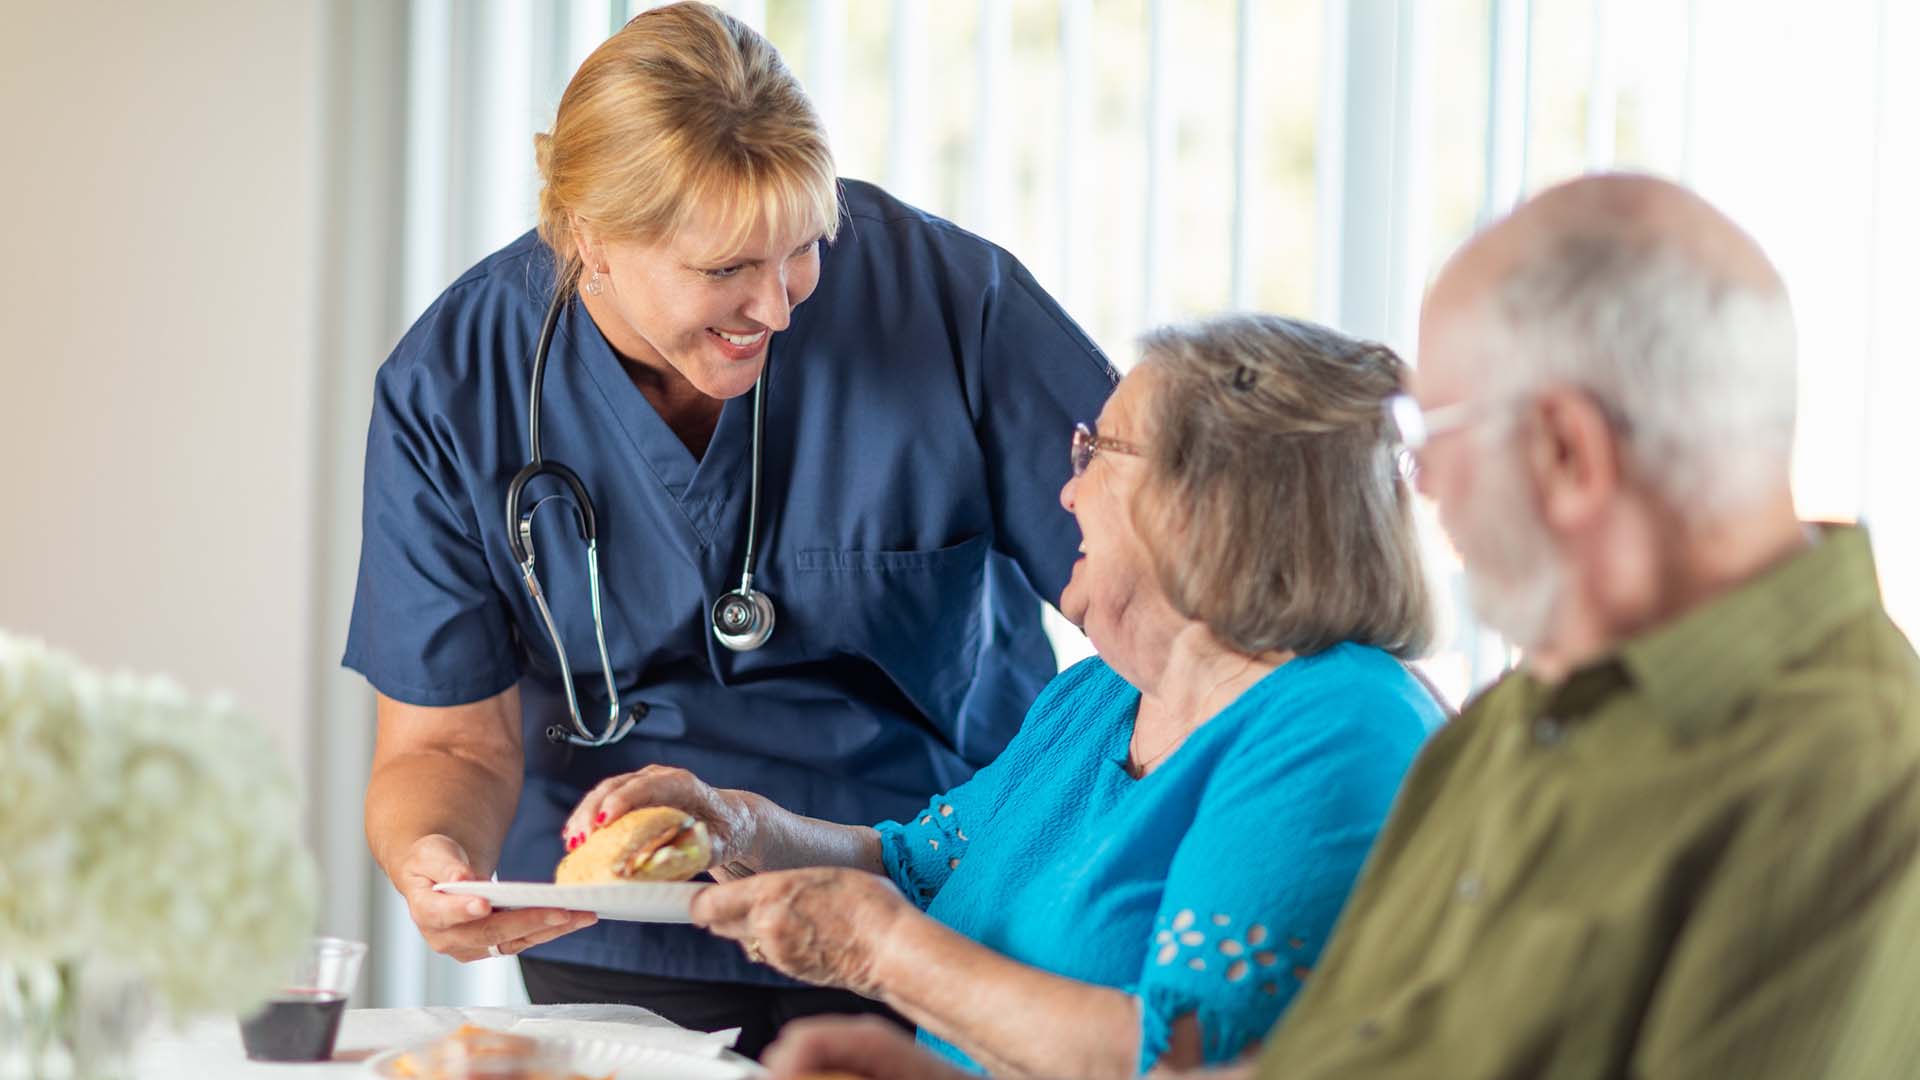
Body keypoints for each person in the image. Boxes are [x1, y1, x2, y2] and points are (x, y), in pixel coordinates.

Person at [751, 174, 1920, 1080]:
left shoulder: (1851, 781)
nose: (1423, 496)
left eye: (1436, 441)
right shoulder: (1528, 719)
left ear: (1567, 453)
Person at [344, 2, 1116, 1054]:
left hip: (933, 887)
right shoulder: (453, 384)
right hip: (624, 924)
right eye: (725, 271)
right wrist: (434, 858)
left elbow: (1150, 589)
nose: (780, 306)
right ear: (588, 243)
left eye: (803, 248)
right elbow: (444, 741)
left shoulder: (949, 301)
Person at [562, 314, 1446, 1077]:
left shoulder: (1341, 721)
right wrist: (738, 828)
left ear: (1207, 503)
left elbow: (1186, 1061)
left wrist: (879, 952)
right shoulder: (1097, 697)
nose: (1065, 488)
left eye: (1097, 451)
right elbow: (915, 869)